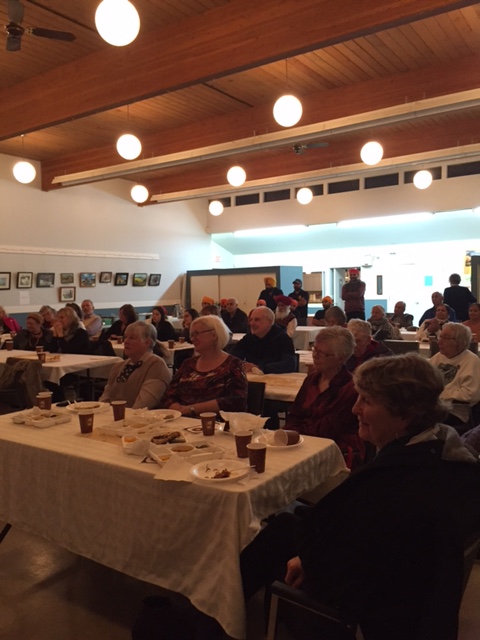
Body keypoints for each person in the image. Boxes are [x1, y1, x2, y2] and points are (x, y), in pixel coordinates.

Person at [240, 354, 480, 640]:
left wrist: (307, 559)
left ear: (404, 413)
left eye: (367, 401)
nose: (355, 408)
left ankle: (225, 614)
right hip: (402, 578)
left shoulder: (400, 481)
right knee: (284, 524)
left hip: (375, 607)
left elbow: (361, 565)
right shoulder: (440, 448)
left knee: (276, 537)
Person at [286, 327, 363, 459]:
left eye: (322, 353)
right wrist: (290, 434)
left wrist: (294, 434)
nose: (315, 356)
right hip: (302, 444)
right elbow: (294, 414)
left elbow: (327, 430)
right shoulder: (311, 379)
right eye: (315, 349)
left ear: (340, 358)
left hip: (335, 453)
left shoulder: (351, 388)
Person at [161, 315, 247, 416]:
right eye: (191, 335)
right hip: (182, 420)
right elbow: (168, 395)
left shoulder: (233, 365)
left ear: (214, 335)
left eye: (197, 333)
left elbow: (237, 401)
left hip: (215, 423)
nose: (193, 339)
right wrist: (178, 410)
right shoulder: (188, 364)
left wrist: (191, 409)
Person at [100, 322, 171, 409]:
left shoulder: (156, 366)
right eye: (125, 337)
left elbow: (142, 406)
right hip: (112, 415)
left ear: (147, 342)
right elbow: (104, 401)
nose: (126, 341)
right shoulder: (118, 367)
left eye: (132, 338)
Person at [430, 323, 480, 427]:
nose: (439, 341)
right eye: (440, 337)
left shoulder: (472, 361)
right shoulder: (438, 357)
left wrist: (439, 395)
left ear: (460, 342)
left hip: (456, 411)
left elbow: (469, 395)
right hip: (433, 404)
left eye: (446, 338)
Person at [230, 307, 296, 373]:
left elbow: (290, 364)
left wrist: (260, 368)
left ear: (269, 322)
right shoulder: (248, 338)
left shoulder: (283, 338)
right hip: (253, 377)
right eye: (251, 320)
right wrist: (242, 364)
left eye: (257, 320)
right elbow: (232, 356)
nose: (251, 323)